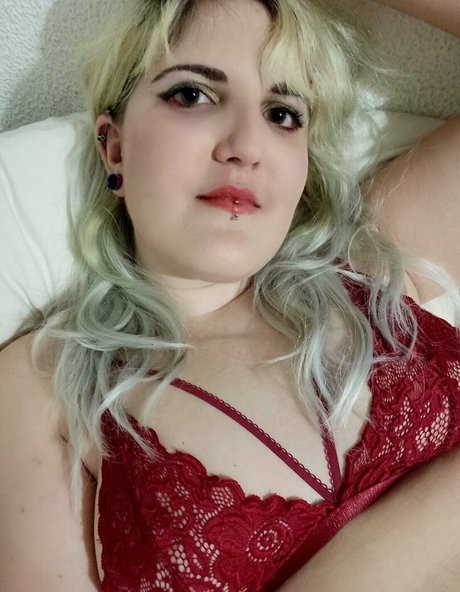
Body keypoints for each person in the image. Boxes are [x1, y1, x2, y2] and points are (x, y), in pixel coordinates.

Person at [0, 0, 458, 590]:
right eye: (192, 95)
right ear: (114, 148)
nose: (247, 145)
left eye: (283, 114)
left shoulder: (376, 264)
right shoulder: (42, 384)